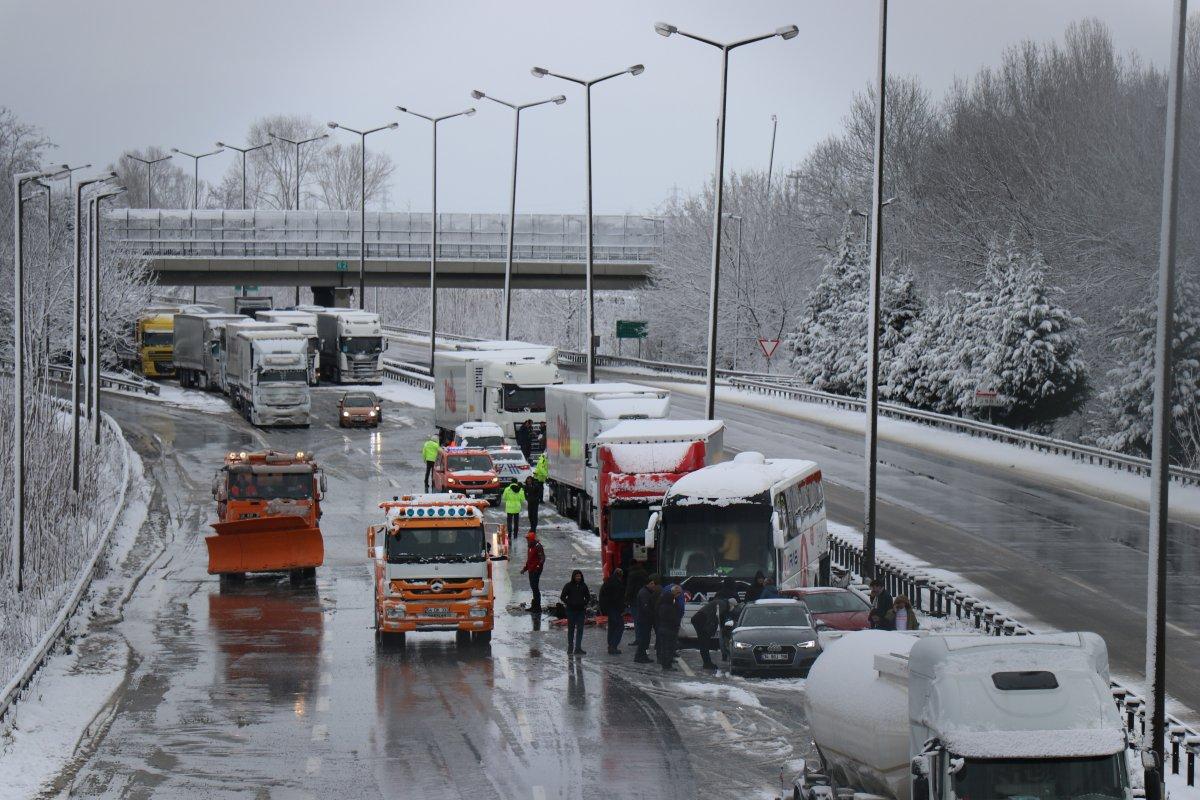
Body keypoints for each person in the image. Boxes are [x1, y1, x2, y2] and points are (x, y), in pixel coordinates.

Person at [560, 570, 591, 655]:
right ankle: (570, 647)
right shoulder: (568, 585)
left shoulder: (584, 586)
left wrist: (584, 603)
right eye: (577, 576)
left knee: (580, 629)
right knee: (571, 629)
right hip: (571, 611)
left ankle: (578, 648)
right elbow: (562, 597)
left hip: (581, 611)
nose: (578, 578)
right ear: (573, 577)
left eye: (579, 576)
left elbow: (588, 597)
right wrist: (569, 602)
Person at [598, 567, 626, 655]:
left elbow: (601, 595)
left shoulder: (607, 582)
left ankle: (610, 645)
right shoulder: (617, 584)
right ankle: (613, 646)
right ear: (620, 575)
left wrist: (603, 609)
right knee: (619, 626)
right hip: (615, 609)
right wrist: (622, 609)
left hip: (609, 608)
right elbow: (618, 599)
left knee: (612, 627)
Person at [656, 584, 684, 670]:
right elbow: (674, 619)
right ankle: (667, 665)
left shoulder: (662, 606)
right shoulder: (671, 608)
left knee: (664, 647)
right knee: (669, 647)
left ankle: (665, 662)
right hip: (670, 629)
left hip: (663, 627)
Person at [633, 574, 660, 663]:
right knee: (644, 639)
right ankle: (639, 656)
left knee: (645, 639)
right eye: (654, 585)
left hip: (645, 619)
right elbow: (646, 608)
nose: (654, 587)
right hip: (644, 620)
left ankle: (642, 655)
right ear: (650, 583)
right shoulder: (644, 593)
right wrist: (653, 615)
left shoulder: (646, 592)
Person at [691, 597, 720, 669]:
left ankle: (707, 663)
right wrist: (708, 632)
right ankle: (707, 663)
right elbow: (710, 622)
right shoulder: (711, 610)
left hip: (701, 625)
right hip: (702, 626)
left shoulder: (707, 610)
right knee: (704, 645)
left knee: (704, 645)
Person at [520, 531, 545, 613]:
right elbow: (529, 560)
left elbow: (542, 558)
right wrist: (525, 569)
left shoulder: (538, 546)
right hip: (531, 570)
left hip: (536, 570)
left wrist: (538, 567)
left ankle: (537, 607)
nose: (527, 541)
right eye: (527, 539)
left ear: (532, 539)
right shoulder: (530, 547)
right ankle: (534, 606)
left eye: (528, 539)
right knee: (533, 587)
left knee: (535, 587)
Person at [501, 480, 526, 544]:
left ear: (511, 482)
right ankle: (515, 535)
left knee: (509, 522)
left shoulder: (507, 489)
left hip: (509, 507)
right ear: (516, 482)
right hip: (517, 508)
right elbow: (522, 499)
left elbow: (504, 497)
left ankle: (509, 534)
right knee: (516, 522)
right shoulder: (520, 489)